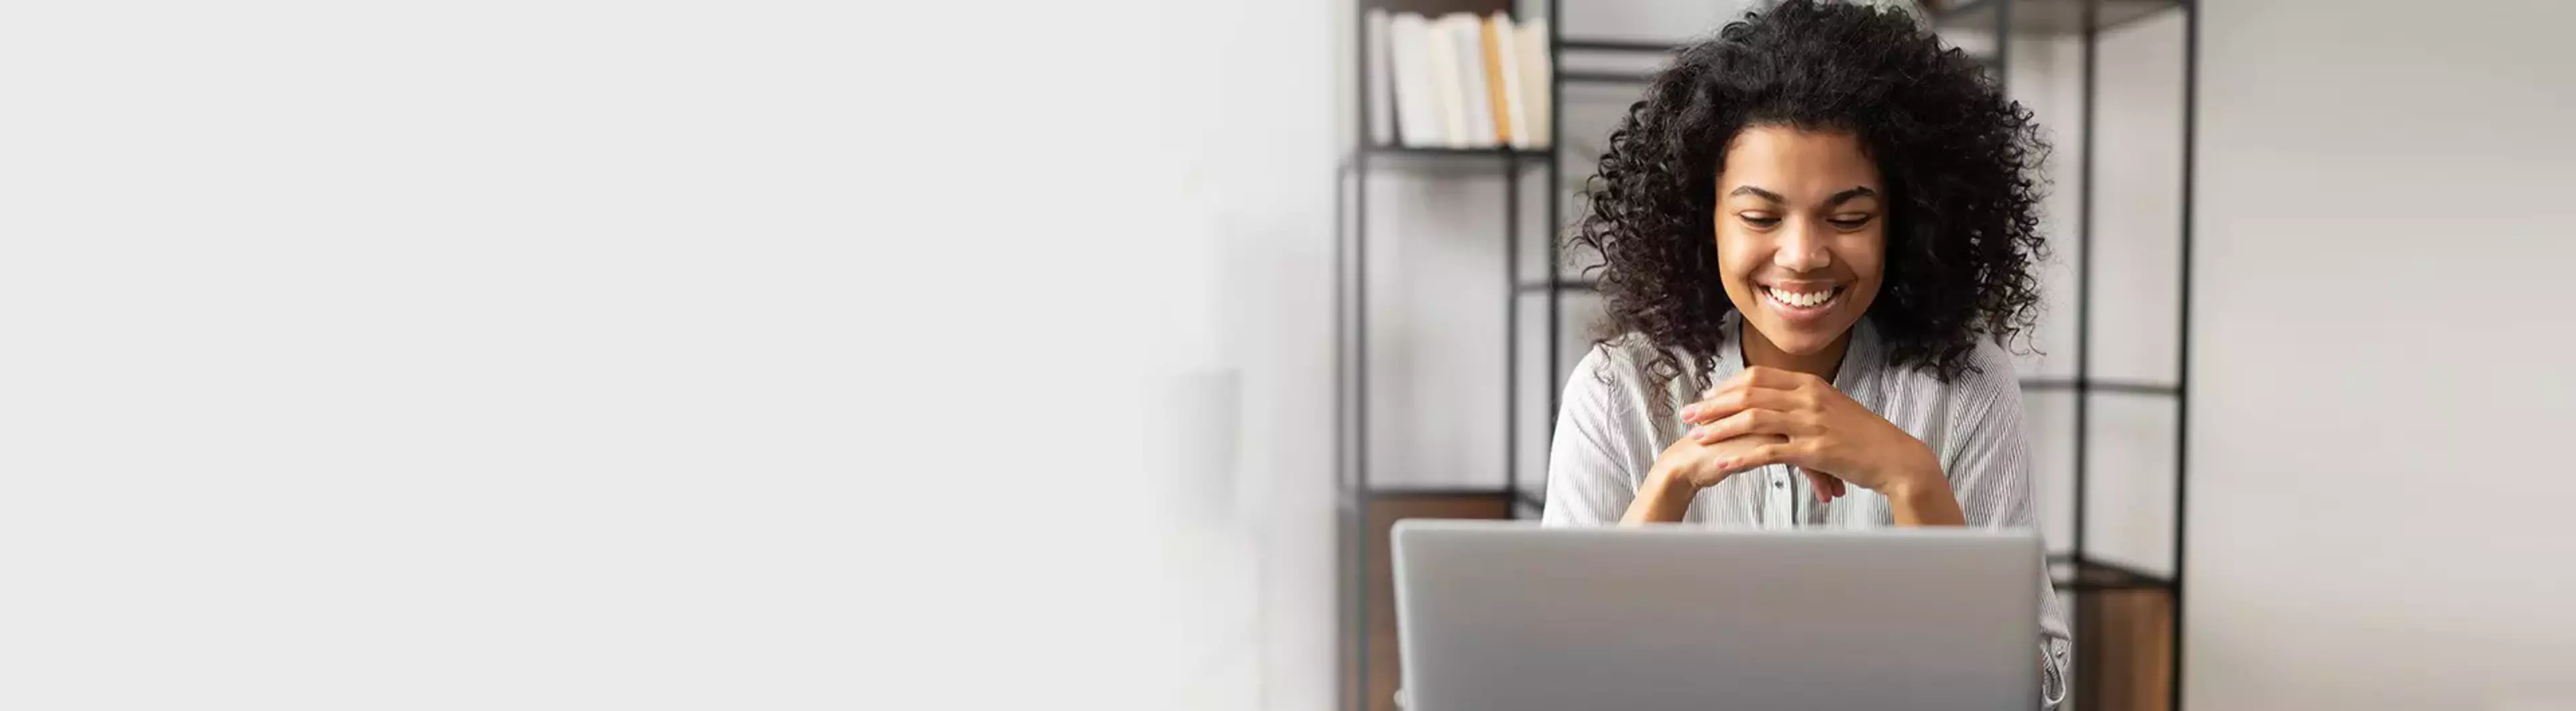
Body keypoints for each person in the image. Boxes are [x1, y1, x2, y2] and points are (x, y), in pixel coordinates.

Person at [1538, 0, 2072, 705]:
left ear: (1904, 221)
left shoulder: (1964, 384)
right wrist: (1666, 489)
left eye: (1849, 218)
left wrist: (1913, 478)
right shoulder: (1618, 389)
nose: (1803, 255)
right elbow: (1553, 682)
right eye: (1761, 217)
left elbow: (2024, 694)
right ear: (1707, 220)